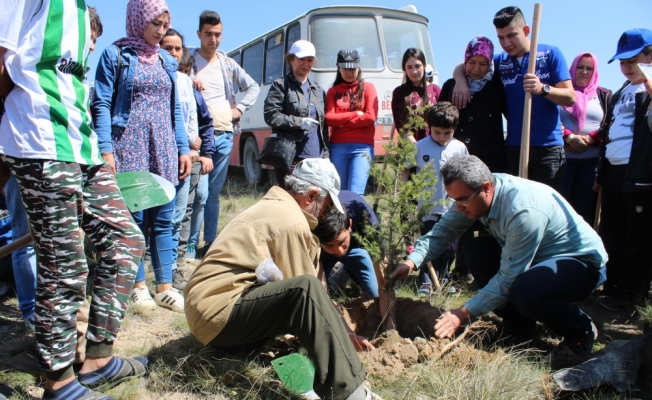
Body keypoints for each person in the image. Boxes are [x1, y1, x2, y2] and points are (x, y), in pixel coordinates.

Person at [1, 2, 147, 399]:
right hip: (40, 140)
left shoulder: (81, 9)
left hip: (82, 145)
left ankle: (98, 360)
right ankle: (59, 381)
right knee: (63, 262)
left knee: (125, 242)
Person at [184, 158, 382, 400]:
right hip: (217, 312)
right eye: (327, 206)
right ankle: (351, 393)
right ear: (311, 196)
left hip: (208, 311)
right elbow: (310, 296)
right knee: (305, 290)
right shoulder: (292, 221)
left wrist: (341, 333)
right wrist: (342, 341)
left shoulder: (273, 206)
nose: (326, 214)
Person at [391, 155, 607, 360]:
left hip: (580, 264)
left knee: (526, 291)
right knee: (477, 251)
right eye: (454, 199)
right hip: (537, 259)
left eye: (463, 200)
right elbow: (444, 231)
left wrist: (462, 313)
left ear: (486, 188)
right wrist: (411, 262)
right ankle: (520, 325)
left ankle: (580, 329)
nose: (458, 207)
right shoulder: (474, 193)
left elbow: (507, 279)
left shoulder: (522, 211)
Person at [92, 0, 192, 313]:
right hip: (128, 147)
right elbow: (102, 104)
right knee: (133, 219)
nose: (161, 33)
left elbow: (174, 108)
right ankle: (137, 286)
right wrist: (106, 148)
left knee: (164, 218)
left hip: (163, 148)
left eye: (165, 25)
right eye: (155, 25)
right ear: (139, 20)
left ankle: (164, 286)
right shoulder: (115, 55)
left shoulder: (166, 60)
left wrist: (183, 148)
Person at [451, 6, 575, 192]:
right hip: (514, 147)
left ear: (526, 30)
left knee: (545, 207)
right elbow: (467, 63)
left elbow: (570, 97)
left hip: (547, 148)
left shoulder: (550, 54)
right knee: (517, 206)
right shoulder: (501, 61)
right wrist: (460, 79)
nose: (506, 43)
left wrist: (543, 89)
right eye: (501, 38)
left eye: (511, 35)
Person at [440, 36, 508, 285]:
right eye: (472, 62)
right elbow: (443, 121)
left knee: (488, 214)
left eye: (482, 63)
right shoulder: (451, 86)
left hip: (491, 159)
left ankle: (489, 270)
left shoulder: (497, 86)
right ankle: (461, 269)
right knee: (463, 212)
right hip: (461, 160)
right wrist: (459, 79)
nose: (477, 69)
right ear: (465, 60)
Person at [191, 10, 260, 257]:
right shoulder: (187, 62)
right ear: (199, 34)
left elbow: (252, 87)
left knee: (213, 193)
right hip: (197, 139)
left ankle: (209, 243)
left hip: (224, 134)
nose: (213, 39)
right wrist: (189, 80)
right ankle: (188, 246)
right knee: (196, 194)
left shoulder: (226, 62)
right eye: (208, 34)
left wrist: (238, 109)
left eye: (218, 34)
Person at [594, 29, 652, 305]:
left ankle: (631, 296)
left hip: (641, 174)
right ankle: (612, 288)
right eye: (622, 61)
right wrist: (601, 174)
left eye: (633, 58)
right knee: (611, 231)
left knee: (637, 236)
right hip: (614, 174)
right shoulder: (619, 94)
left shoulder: (649, 89)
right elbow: (608, 133)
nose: (627, 66)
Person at [160, 29, 215, 288]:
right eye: (167, 47)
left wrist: (204, 153)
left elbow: (203, 122)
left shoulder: (189, 86)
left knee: (183, 212)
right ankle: (159, 264)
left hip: (188, 158)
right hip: (161, 158)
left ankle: (177, 264)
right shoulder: (156, 81)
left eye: (177, 49)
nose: (172, 53)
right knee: (162, 214)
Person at [401, 103, 468, 295]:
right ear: (429, 128)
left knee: (449, 247)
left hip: (452, 207)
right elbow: (406, 168)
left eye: (447, 133)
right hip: (428, 207)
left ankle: (444, 280)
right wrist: (405, 193)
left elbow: (467, 174)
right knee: (427, 244)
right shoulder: (420, 146)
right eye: (437, 132)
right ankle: (426, 281)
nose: (442, 137)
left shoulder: (459, 148)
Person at [264, 40, 328, 188]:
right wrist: (300, 122)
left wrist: (326, 154)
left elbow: (324, 127)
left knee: (313, 201)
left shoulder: (318, 90)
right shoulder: (280, 85)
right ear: (291, 59)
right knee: (291, 202)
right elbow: (271, 115)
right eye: (302, 59)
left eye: (310, 60)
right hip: (290, 157)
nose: (306, 63)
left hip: (315, 157)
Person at [560, 53, 611, 224]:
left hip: (591, 162)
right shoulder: (559, 92)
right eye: (580, 67)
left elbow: (610, 124)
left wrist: (589, 139)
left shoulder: (604, 95)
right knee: (560, 206)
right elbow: (548, 120)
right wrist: (569, 137)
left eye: (589, 68)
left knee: (584, 208)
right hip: (563, 161)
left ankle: (582, 249)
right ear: (572, 69)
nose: (584, 71)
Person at [325, 50, 378, 196]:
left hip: (362, 148)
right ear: (339, 68)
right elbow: (329, 119)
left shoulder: (368, 88)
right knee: (340, 193)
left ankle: (356, 220)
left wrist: (341, 121)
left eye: (353, 68)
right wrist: (355, 114)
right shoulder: (332, 91)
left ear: (359, 67)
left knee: (355, 194)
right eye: (345, 68)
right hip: (338, 147)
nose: (349, 72)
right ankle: (343, 220)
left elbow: (370, 117)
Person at [313, 190, 383, 299]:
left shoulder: (364, 217)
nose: (339, 251)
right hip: (322, 254)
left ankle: (348, 269)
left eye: (341, 242)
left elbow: (380, 255)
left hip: (356, 247)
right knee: (316, 293)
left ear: (350, 224)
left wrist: (385, 284)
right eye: (330, 245)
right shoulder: (311, 224)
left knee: (376, 294)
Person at [391, 48, 441, 144]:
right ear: (404, 69)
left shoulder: (435, 90)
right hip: (410, 149)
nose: (414, 71)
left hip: (434, 145)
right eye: (409, 67)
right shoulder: (399, 92)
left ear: (424, 66)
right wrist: (417, 147)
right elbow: (401, 126)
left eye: (417, 66)